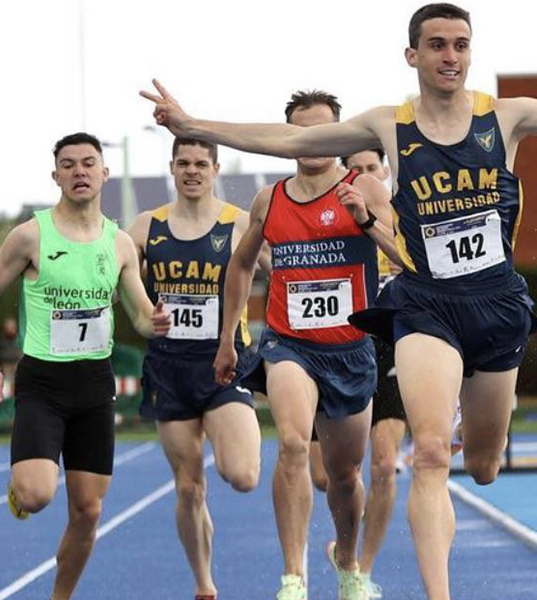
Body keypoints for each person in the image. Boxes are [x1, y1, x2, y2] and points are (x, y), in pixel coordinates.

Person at [141, 6, 537, 598]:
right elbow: (286, 142)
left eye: (461, 45)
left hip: (497, 302)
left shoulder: (505, 118)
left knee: (481, 463)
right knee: (426, 452)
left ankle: (471, 433)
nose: (451, 55)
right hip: (425, 304)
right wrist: (192, 123)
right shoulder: (384, 126)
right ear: (412, 55)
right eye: (437, 45)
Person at [203, 90, 399, 600]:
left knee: (344, 473)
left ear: (341, 136)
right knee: (291, 443)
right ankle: (293, 577)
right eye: (301, 132)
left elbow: (405, 255)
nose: (312, 143)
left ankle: (349, 561)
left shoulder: (367, 187)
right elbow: (241, 264)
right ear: (287, 137)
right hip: (289, 344)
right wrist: (228, 338)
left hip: (352, 348)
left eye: (323, 132)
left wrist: (366, 221)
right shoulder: (269, 200)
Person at [0, 132, 171, 600]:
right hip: (43, 383)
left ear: (105, 173)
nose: (79, 171)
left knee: (88, 512)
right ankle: (20, 486)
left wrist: (156, 321)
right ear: (56, 175)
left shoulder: (120, 244)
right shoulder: (30, 235)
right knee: (36, 495)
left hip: (94, 387)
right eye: (69, 164)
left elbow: (140, 314)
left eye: (88, 163)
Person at [126, 137, 264, 600]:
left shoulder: (239, 222)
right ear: (171, 167)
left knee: (243, 475)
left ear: (215, 168)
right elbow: (115, 279)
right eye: (183, 163)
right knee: (189, 488)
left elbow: (283, 270)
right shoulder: (146, 228)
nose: (191, 171)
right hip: (170, 369)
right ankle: (204, 584)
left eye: (200, 164)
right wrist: (144, 313)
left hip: (226, 363)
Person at [307, 147, 408, 599]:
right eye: (357, 170)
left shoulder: (404, 217)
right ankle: (346, 547)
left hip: (391, 347)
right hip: (339, 343)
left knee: (386, 463)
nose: (364, 177)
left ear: (384, 172)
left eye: (372, 169)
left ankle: (361, 571)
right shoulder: (328, 215)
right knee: (327, 477)